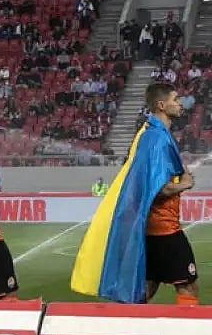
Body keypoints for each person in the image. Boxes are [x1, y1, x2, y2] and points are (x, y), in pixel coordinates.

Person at [72, 83, 195, 304]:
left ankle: (126, 327)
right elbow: (158, 189)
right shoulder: (155, 139)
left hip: (149, 225)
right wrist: (185, 184)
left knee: (146, 285)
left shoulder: (150, 134)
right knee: (187, 285)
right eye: (175, 99)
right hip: (163, 228)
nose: (179, 103)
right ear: (161, 105)